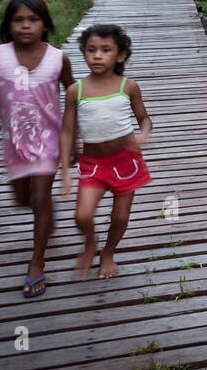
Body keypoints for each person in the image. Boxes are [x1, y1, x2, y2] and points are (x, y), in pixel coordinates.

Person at [0, 0, 74, 298]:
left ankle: (37, 262)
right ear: (9, 25)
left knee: (40, 197)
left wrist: (73, 138)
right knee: (23, 198)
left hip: (48, 141)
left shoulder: (57, 58)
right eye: (19, 20)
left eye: (33, 20)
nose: (26, 26)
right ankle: (47, 210)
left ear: (45, 24)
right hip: (15, 143)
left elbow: (73, 95)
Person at [60, 24, 153, 280]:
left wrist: (143, 135)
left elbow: (144, 119)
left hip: (126, 161)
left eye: (105, 50)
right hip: (93, 164)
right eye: (91, 50)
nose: (97, 56)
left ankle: (108, 252)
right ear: (84, 53)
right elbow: (67, 131)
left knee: (121, 217)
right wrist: (66, 172)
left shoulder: (128, 87)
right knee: (82, 215)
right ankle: (91, 241)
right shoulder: (75, 91)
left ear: (120, 55)